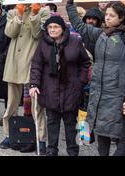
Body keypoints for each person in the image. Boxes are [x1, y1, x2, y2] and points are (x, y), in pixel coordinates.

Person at [66, 0, 125, 156]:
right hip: (98, 91)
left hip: (117, 92)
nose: (107, 18)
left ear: (121, 18)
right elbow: (79, 25)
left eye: (112, 15)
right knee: (100, 130)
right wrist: (70, 5)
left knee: (119, 131)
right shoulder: (99, 33)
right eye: (106, 15)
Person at [29, 16, 91, 156]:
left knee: (70, 122)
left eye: (56, 27)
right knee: (52, 122)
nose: (52, 30)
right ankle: (52, 150)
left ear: (63, 29)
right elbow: (36, 65)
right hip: (50, 88)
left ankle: (73, 151)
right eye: (50, 27)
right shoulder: (43, 43)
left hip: (71, 88)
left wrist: (80, 81)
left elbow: (85, 63)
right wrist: (34, 84)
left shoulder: (75, 41)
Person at [0, 3, 50, 153]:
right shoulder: (13, 12)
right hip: (14, 60)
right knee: (11, 103)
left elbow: (38, 34)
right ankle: (9, 134)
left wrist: (34, 14)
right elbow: (9, 33)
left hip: (32, 59)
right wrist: (19, 15)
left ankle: (40, 138)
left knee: (37, 105)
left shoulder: (43, 12)